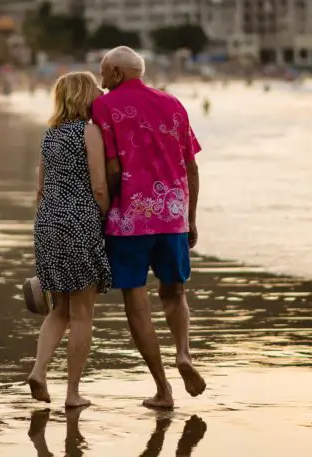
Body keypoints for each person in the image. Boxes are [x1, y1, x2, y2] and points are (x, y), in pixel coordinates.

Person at [91, 46, 205, 410]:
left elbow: (110, 168)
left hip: (129, 220)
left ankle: (162, 389)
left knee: (135, 301)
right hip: (172, 216)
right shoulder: (173, 103)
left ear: (118, 72)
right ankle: (184, 353)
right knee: (175, 293)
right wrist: (191, 217)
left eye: (104, 71)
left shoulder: (104, 107)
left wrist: (102, 212)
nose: (101, 79)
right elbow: (191, 167)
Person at [27, 71, 113, 408]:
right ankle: (72, 393)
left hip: (47, 223)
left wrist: (50, 219)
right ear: (82, 95)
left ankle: (38, 369)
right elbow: (100, 185)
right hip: (80, 223)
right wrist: (105, 217)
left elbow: (39, 188)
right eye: (93, 89)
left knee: (59, 308)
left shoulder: (50, 135)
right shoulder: (88, 132)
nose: (98, 94)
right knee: (82, 313)